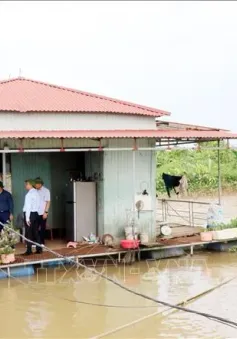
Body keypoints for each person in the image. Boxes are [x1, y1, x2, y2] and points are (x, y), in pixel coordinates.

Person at [22, 179, 42, 255]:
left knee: (28, 233)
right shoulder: (37, 193)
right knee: (36, 232)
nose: (25, 185)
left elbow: (28, 207)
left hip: (30, 214)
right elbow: (39, 205)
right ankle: (39, 249)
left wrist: (27, 218)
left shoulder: (29, 195)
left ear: (30, 185)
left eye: (26, 184)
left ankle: (29, 250)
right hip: (36, 214)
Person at [34, 177, 51, 245]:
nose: (35, 185)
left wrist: (46, 212)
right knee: (35, 228)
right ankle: (36, 241)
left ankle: (42, 242)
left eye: (36, 184)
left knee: (42, 228)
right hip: (35, 212)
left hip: (42, 212)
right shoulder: (34, 191)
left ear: (40, 184)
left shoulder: (46, 191)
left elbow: (48, 202)